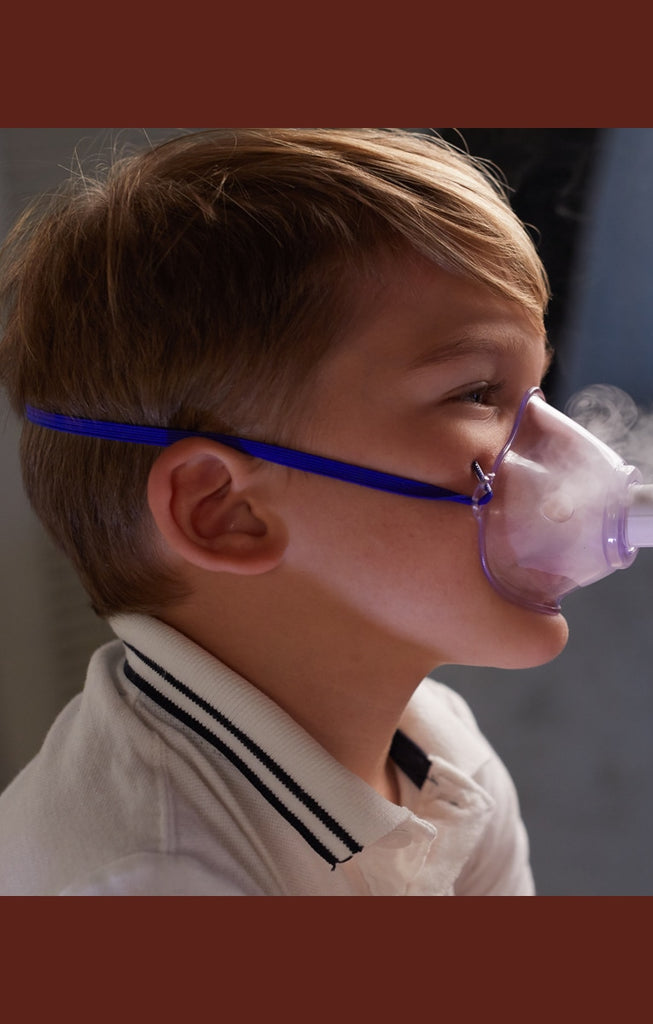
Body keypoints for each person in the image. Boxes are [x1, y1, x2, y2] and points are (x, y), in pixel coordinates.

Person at [0, 128, 565, 894]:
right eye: (476, 393)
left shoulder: (438, 754)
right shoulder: (155, 878)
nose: (561, 452)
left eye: (537, 392)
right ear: (225, 512)